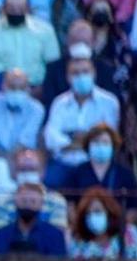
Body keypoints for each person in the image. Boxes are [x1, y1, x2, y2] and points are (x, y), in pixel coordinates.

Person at [44, 57, 121, 187]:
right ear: (68, 77)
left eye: (85, 72)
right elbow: (51, 139)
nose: (81, 76)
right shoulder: (59, 103)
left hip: (95, 164)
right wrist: (87, 140)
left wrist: (73, 141)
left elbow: (110, 137)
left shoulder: (109, 102)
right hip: (64, 163)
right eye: (75, 73)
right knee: (50, 181)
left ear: (94, 74)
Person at [0, 0, 61, 89]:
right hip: (2, 86)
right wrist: (13, 80)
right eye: (12, 9)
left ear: (28, 9)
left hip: (36, 86)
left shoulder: (45, 30)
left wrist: (37, 88)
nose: (16, 13)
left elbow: (53, 62)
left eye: (20, 9)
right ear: (3, 8)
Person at [65, 123, 137, 207]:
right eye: (96, 142)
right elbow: (70, 204)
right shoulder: (76, 173)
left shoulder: (125, 174)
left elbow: (133, 207)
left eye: (105, 142)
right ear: (88, 145)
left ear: (113, 146)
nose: (100, 146)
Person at [0, 182, 67, 255]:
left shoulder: (55, 236)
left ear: (41, 204)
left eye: (33, 201)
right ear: (16, 202)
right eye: (24, 201)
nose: (28, 205)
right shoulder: (0, 235)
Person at [68, 186, 137, 259]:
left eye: (97, 211)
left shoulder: (128, 233)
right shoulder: (79, 243)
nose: (92, 217)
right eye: (88, 213)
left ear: (109, 212)